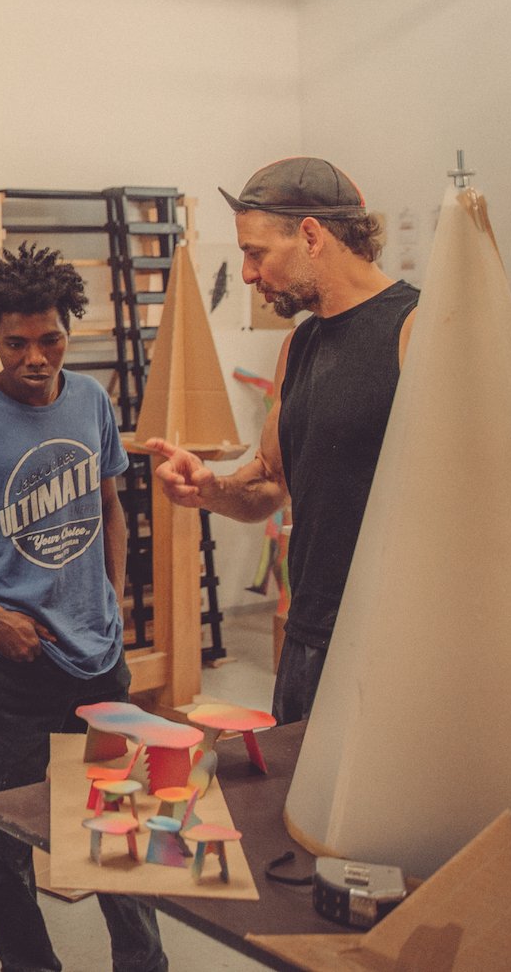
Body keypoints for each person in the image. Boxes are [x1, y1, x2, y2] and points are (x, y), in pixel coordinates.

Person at [0, 244, 167, 972]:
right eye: (17, 343)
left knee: (119, 829)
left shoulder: (92, 402)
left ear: (66, 329)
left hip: (97, 659)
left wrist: (109, 594)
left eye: (50, 339)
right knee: (8, 846)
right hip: (12, 669)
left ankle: (144, 965)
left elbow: (109, 504)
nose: (36, 357)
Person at [146, 158, 416, 724]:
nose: (246, 273)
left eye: (256, 252)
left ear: (312, 236)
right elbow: (271, 480)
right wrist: (208, 489)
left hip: (395, 643)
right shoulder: (301, 346)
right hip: (310, 634)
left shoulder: (415, 330)